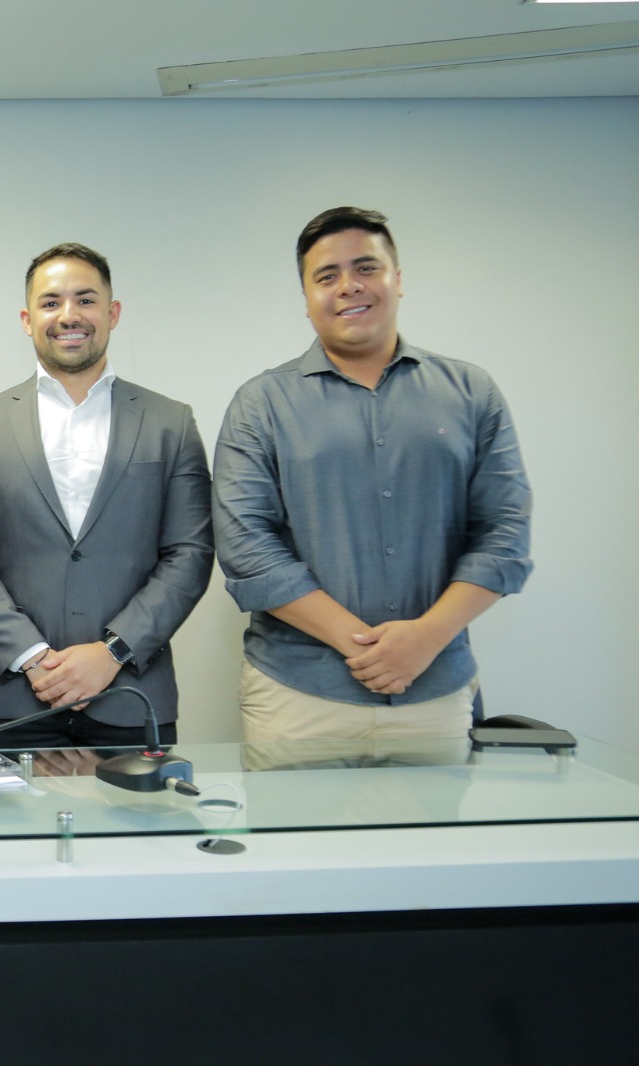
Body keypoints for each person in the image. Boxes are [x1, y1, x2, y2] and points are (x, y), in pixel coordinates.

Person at [213, 206, 532, 744]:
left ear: (397, 280)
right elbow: (247, 549)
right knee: (294, 833)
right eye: (327, 276)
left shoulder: (472, 393)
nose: (348, 286)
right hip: (297, 698)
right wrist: (369, 647)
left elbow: (505, 534)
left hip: (435, 691)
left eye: (366, 268)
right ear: (307, 297)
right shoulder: (260, 404)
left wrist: (425, 640)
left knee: (437, 834)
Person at [0, 243, 213, 747]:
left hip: (132, 697)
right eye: (51, 302)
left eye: (85, 300)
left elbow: (190, 554)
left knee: (135, 829)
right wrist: (33, 658)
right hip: (11, 701)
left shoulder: (170, 424)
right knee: (12, 830)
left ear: (112, 313)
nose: (69, 315)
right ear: (27, 319)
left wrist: (112, 653)